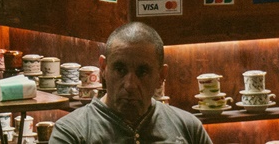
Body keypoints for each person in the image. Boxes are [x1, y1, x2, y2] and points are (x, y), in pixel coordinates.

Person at [49, 22, 212, 143]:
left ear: (161, 76)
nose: (130, 85)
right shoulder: (71, 132)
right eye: (120, 70)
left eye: (142, 72)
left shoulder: (189, 129)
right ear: (103, 69)